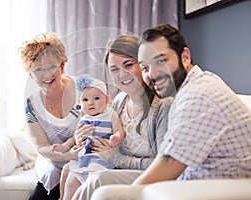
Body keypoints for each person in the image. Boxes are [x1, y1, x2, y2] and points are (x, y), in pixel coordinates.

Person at [88, 24, 251, 200]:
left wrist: (129, 193)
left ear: (185, 57)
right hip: (192, 181)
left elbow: (166, 165)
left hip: (218, 187)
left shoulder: (197, 97)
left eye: (161, 61)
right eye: (145, 67)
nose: (152, 74)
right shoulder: (193, 86)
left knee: (106, 195)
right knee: (100, 184)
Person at [73, 34, 173, 200]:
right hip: (119, 171)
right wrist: (80, 137)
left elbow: (163, 165)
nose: (122, 74)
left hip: (151, 177)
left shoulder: (163, 105)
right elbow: (101, 134)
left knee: (97, 180)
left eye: (128, 65)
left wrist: (115, 158)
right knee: (76, 177)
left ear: (143, 64)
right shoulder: (119, 101)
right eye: (114, 69)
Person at [19, 32, 82, 200]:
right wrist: (67, 156)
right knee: (45, 188)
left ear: (62, 66)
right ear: (31, 74)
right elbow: (42, 146)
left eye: (52, 67)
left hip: (87, 156)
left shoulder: (83, 88)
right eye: (38, 69)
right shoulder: (31, 105)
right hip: (55, 161)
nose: (46, 74)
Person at [55, 74, 125, 200]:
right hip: (85, 156)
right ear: (80, 103)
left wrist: (116, 137)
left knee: (72, 181)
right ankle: (62, 197)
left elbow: (119, 130)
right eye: (85, 100)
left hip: (100, 158)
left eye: (97, 98)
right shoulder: (84, 119)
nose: (91, 103)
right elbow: (74, 137)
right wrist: (65, 146)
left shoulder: (110, 115)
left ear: (107, 100)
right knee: (66, 171)